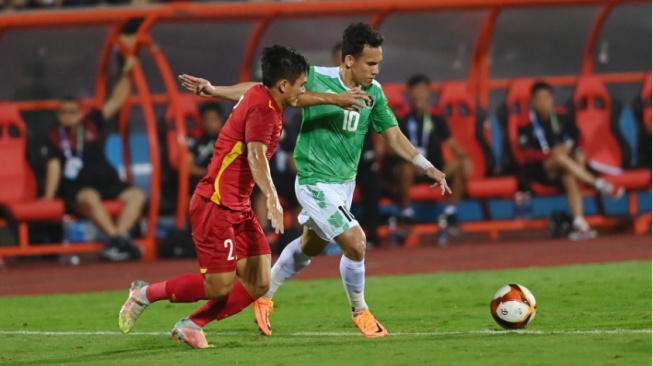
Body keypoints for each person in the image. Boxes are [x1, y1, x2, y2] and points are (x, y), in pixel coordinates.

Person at [181, 22, 451, 338]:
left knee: (310, 247)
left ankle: (265, 296)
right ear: (350, 60)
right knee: (356, 243)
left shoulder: (374, 93)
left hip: (343, 186)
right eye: (371, 63)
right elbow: (261, 91)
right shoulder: (316, 77)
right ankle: (360, 310)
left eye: (378, 63)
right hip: (313, 182)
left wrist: (425, 165)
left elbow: (392, 134)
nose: (376, 70)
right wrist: (216, 90)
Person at [118, 45, 368, 349]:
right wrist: (273, 196)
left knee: (259, 282)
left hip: (237, 206)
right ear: (283, 85)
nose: (304, 90)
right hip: (215, 204)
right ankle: (144, 294)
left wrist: (214, 90)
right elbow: (256, 155)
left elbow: (260, 90)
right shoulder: (264, 111)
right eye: (301, 83)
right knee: (218, 286)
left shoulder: (264, 94)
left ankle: (192, 323)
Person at [41, 56, 144, 261]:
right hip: (79, 187)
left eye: (72, 112)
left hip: (108, 182)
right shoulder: (53, 136)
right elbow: (53, 167)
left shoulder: (91, 124)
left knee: (137, 196)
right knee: (89, 197)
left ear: (80, 113)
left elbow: (116, 100)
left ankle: (118, 238)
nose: (67, 116)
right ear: (58, 114)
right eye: (63, 112)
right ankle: (118, 240)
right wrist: (48, 196)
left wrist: (126, 74)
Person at [518, 81, 624, 241]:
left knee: (569, 177)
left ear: (552, 99)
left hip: (566, 167)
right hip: (540, 170)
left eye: (547, 98)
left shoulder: (562, 115)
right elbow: (526, 154)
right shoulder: (525, 123)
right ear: (532, 101)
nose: (543, 102)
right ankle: (599, 184)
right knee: (559, 157)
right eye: (539, 99)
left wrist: (580, 151)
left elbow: (578, 138)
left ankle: (579, 223)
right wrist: (550, 154)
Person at [390, 74, 470, 229]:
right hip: (410, 166)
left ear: (429, 93)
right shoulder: (400, 117)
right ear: (409, 93)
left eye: (423, 90)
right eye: (416, 90)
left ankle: (450, 212)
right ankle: (406, 214)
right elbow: (391, 146)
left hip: (433, 168)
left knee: (460, 166)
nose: (420, 94)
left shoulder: (436, 117)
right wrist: (412, 159)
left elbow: (451, 143)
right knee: (405, 170)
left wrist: (465, 158)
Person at [333, 42, 382, 246]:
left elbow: (386, 128)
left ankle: (372, 232)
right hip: (332, 161)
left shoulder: (371, 89)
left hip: (361, 157)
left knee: (372, 183)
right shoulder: (321, 84)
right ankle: (337, 238)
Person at [187, 102, 224, 192]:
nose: (211, 124)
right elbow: (188, 167)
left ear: (220, 120)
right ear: (202, 121)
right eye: (207, 120)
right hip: (198, 181)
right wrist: (209, 173)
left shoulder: (225, 139)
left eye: (214, 119)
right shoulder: (194, 139)